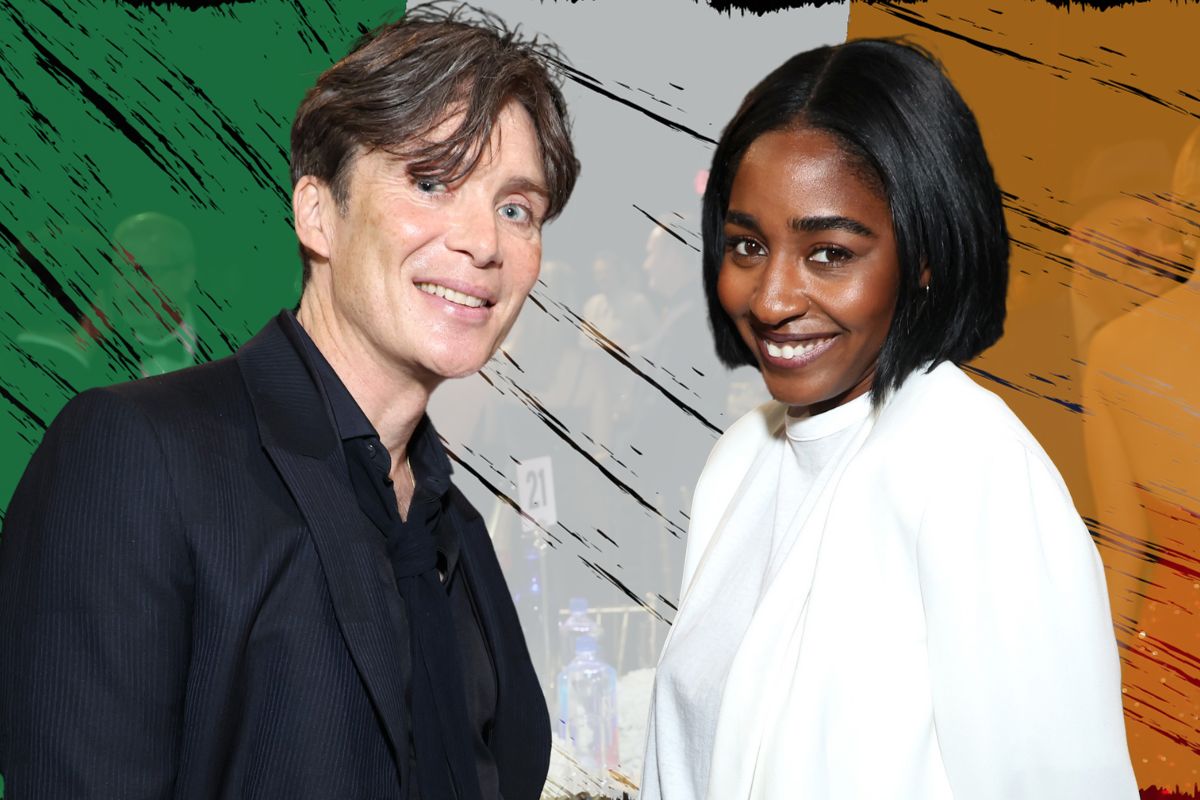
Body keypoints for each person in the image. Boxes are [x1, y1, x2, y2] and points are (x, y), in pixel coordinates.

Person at [0, 4, 578, 799]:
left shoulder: (453, 528)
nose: (484, 243)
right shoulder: (137, 458)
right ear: (317, 212)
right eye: (431, 181)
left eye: (516, 209)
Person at [641, 39, 1137, 799]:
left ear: (925, 255)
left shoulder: (973, 471)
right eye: (747, 245)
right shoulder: (740, 459)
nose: (771, 298)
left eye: (829, 253)